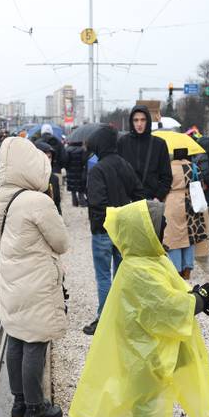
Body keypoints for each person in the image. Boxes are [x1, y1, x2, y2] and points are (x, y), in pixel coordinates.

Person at [69, 199, 209, 417]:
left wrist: (193, 297)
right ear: (144, 232)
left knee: (153, 399)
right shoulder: (140, 269)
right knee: (147, 401)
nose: (164, 231)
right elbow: (163, 307)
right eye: (159, 227)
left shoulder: (148, 260)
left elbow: (169, 295)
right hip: (143, 351)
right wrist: (194, 303)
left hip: (146, 347)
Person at [0, 136, 68, 417]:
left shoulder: (1, 197)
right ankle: (36, 407)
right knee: (35, 339)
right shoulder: (38, 201)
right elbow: (61, 243)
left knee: (16, 337)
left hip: (11, 277)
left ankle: (19, 400)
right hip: (36, 278)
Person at [83, 126, 143, 336]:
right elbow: (139, 193)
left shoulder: (98, 169)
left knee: (103, 276)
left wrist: (101, 220)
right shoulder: (125, 165)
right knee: (121, 275)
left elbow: (96, 202)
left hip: (103, 230)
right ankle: (122, 316)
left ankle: (104, 318)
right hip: (124, 228)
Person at [163, 148, 209, 279]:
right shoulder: (194, 167)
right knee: (190, 236)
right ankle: (187, 268)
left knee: (173, 237)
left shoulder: (169, 168)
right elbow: (202, 184)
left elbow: (164, 184)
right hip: (191, 202)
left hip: (172, 202)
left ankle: (176, 268)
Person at [117, 105, 172, 201]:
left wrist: (158, 197)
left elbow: (166, 176)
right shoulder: (122, 142)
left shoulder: (159, 144)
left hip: (151, 200)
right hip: (127, 201)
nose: (139, 124)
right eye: (136, 120)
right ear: (131, 121)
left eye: (143, 120)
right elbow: (117, 172)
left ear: (148, 121)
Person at [34, 141, 62, 214]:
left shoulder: (54, 179)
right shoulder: (29, 179)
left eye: (50, 157)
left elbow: (57, 204)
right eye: (44, 157)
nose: (48, 160)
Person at [64, 134, 88, 207]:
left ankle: (74, 203)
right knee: (80, 188)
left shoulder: (67, 149)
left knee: (73, 190)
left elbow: (66, 161)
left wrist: (67, 168)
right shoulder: (82, 150)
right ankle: (82, 202)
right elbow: (84, 161)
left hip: (70, 172)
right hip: (80, 171)